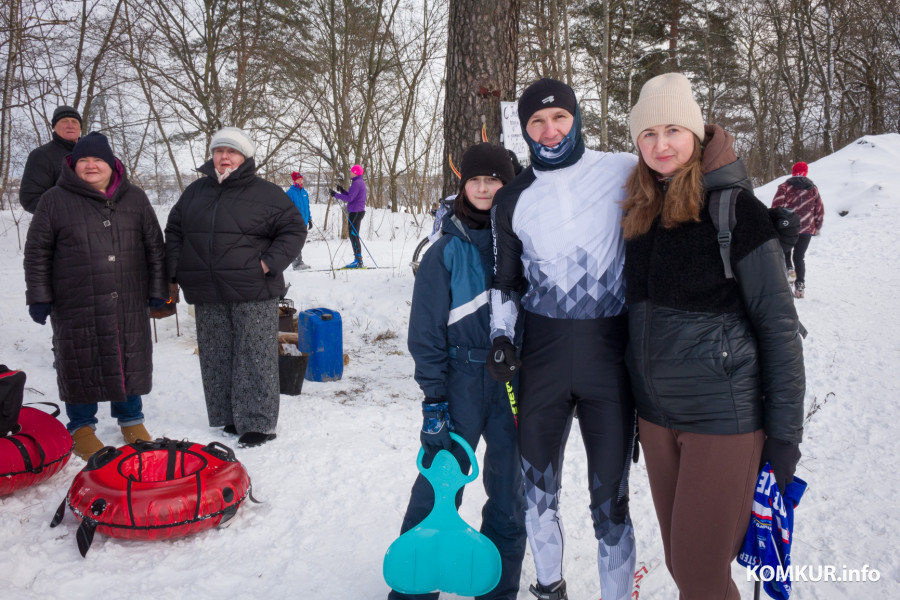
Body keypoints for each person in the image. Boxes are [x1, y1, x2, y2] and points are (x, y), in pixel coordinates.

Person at [621, 72, 805, 599]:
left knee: (701, 575)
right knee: (687, 568)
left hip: (723, 419)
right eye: (648, 133)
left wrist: (785, 436)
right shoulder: (639, 210)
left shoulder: (736, 209)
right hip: (655, 421)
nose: (661, 145)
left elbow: (779, 326)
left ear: (697, 134)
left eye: (674, 130)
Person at [488, 78, 638, 600]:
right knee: (537, 492)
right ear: (524, 129)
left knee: (611, 501)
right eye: (536, 122)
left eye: (560, 119)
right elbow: (504, 282)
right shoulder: (513, 197)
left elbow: (684, 183)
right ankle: (549, 586)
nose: (549, 131)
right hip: (542, 361)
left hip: (609, 360)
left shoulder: (621, 169)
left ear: (577, 118)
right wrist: (501, 336)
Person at [391, 142, 525, 600]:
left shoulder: (526, 241)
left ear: (508, 184)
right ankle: (414, 583)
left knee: (510, 492)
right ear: (463, 186)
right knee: (439, 481)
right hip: (461, 379)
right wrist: (433, 397)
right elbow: (424, 330)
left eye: (494, 179)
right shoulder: (445, 250)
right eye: (475, 179)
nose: (485, 187)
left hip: (512, 383)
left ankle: (498, 588)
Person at [24, 131, 167, 459]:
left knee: (127, 355)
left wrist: (159, 290)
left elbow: (154, 248)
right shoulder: (54, 200)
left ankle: (131, 418)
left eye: (97, 159)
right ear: (73, 165)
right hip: (75, 299)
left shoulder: (135, 199)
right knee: (80, 358)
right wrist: (39, 296)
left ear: (112, 164)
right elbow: (37, 252)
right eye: (83, 160)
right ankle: (81, 425)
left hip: (128, 297)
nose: (90, 165)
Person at [164, 127, 306, 447]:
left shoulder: (266, 193)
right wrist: (173, 274)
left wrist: (267, 264)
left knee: (254, 355)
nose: (224, 157)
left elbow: (294, 230)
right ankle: (229, 416)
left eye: (232, 152)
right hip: (206, 290)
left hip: (253, 289)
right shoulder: (195, 192)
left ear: (245, 158)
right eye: (219, 151)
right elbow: (175, 232)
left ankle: (257, 422)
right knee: (217, 355)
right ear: (212, 156)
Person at [772, 161, 824, 298]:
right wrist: (817, 225)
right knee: (799, 256)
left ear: (793, 172)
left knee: (786, 252)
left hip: (788, 226)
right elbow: (819, 209)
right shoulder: (813, 189)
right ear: (805, 173)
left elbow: (776, 207)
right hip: (807, 227)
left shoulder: (784, 187)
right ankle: (800, 286)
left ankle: (789, 272)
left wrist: (775, 223)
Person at [19, 105, 82, 214]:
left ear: (80, 127)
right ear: (54, 127)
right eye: (64, 121)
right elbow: (30, 199)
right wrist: (68, 213)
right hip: (63, 226)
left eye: (74, 121)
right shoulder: (41, 155)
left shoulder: (93, 154)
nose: (70, 125)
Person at [330, 164, 367, 268]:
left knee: (353, 235)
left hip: (356, 211)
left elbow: (350, 199)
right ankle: (358, 260)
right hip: (357, 211)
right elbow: (352, 196)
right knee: (353, 235)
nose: (350, 173)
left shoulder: (356, 183)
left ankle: (358, 261)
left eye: (351, 171)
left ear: (356, 173)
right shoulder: (359, 182)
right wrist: (342, 191)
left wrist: (335, 195)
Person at [287, 171, 312, 270]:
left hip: (304, 221)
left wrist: (309, 219)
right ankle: (297, 263)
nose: (300, 181)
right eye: (298, 179)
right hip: (295, 222)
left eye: (301, 179)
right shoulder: (290, 193)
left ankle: (299, 262)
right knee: (296, 242)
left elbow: (307, 207)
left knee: (301, 242)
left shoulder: (304, 192)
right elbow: (287, 209)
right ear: (294, 180)